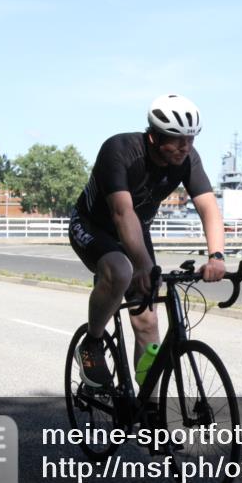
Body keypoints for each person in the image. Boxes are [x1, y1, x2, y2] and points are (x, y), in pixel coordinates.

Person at [68, 93, 226, 387]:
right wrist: (141, 264)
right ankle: (92, 342)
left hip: (136, 230)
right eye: (176, 139)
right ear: (153, 136)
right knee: (121, 270)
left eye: (191, 138)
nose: (185, 147)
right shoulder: (119, 150)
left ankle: (147, 410)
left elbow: (209, 208)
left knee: (148, 321)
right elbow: (121, 212)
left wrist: (216, 257)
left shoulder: (188, 159)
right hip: (94, 225)